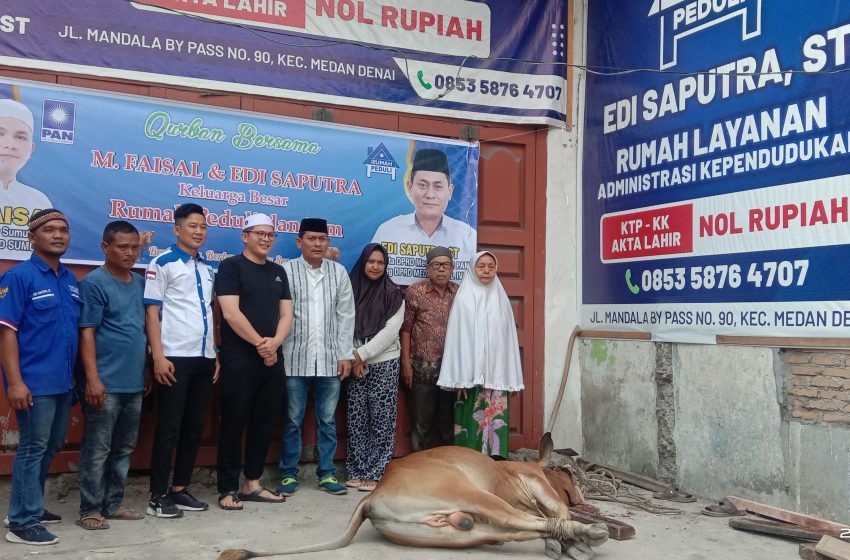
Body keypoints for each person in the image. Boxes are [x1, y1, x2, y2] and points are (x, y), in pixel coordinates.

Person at [0, 209, 78, 545]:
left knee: (50, 445)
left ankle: (29, 504)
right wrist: (15, 383)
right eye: (49, 230)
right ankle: (21, 522)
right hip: (34, 383)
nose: (58, 235)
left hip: (64, 382)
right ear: (32, 238)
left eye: (63, 229)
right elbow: (6, 333)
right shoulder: (18, 278)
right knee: (33, 448)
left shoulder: (69, 279)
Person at [144, 203, 218, 518]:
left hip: (204, 357)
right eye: (192, 226)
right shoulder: (162, 263)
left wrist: (216, 354)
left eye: (202, 226)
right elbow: (151, 312)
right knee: (169, 428)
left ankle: (180, 488)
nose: (198, 231)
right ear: (176, 230)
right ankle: (158, 495)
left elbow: (213, 314)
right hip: (174, 357)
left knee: (193, 427)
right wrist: (157, 356)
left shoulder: (207, 268)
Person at [215, 213, 292, 511]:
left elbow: (286, 314)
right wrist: (261, 344)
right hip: (240, 358)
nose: (265, 239)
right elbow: (231, 313)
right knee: (234, 423)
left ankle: (252, 483)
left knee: (264, 422)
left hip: (273, 358)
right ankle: (227, 488)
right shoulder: (231, 266)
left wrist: (274, 343)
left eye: (270, 235)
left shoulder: (278, 272)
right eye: (258, 233)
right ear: (244, 236)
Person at [76, 221, 150, 530]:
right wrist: (92, 379)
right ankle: (90, 509)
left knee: (123, 449)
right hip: (104, 384)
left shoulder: (139, 282)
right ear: (105, 248)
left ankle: (113, 503)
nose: (130, 253)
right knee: (98, 450)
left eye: (134, 248)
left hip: (133, 383)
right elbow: (87, 334)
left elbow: (145, 331)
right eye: (122, 247)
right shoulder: (94, 283)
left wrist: (146, 371)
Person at [277, 217, 355, 497]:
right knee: (292, 419)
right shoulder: (285, 272)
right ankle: (288, 474)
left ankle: (327, 473)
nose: (317, 244)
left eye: (322, 239)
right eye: (311, 238)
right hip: (294, 359)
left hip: (330, 360)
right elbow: (278, 315)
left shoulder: (338, 273)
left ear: (328, 242)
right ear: (300, 242)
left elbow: (346, 317)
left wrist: (346, 354)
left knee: (327, 420)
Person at [437, 251, 524, 458]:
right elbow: (457, 342)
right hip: (468, 382)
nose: (486, 271)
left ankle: (495, 467)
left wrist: (512, 378)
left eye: (491, 267)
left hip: (496, 380)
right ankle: (468, 469)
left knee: (495, 429)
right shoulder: (463, 300)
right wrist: (458, 377)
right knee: (469, 427)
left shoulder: (501, 301)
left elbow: (509, 343)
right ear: (472, 269)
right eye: (481, 266)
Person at [345, 243, 405, 492]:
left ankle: (377, 471)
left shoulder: (394, 293)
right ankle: (356, 469)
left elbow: (391, 331)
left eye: (380, 262)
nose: (376, 266)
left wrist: (361, 355)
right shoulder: (349, 288)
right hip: (354, 359)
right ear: (363, 262)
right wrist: (354, 355)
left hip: (384, 361)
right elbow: (343, 322)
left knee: (381, 419)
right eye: (371, 261)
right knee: (356, 418)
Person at [371, 148, 476, 286]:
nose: (430, 194)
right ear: (410, 187)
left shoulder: (467, 235)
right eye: (422, 185)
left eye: (438, 187)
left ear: (450, 191)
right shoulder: (387, 231)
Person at [400, 246, 459, 451]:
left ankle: (447, 468)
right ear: (428, 268)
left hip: (451, 370)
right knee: (421, 423)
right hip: (422, 369)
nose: (441, 269)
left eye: (446, 265)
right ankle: (421, 467)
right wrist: (406, 363)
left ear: (452, 268)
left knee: (447, 421)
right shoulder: (415, 291)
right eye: (436, 265)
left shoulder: (459, 292)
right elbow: (405, 330)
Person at [0, 99, 52, 261]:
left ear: (31, 148)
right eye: (0, 134)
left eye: (21, 137)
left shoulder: (40, 202)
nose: (10, 144)